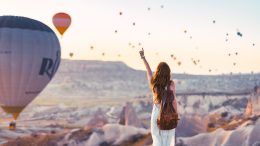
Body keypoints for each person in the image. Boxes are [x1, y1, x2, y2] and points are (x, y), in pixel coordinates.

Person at [139, 48, 177, 146]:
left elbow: (148, 71)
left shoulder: (154, 84)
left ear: (158, 71)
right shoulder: (171, 84)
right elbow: (174, 101)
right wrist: (176, 114)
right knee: (168, 139)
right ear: (168, 72)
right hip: (168, 113)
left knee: (156, 138)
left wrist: (143, 58)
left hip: (156, 113)